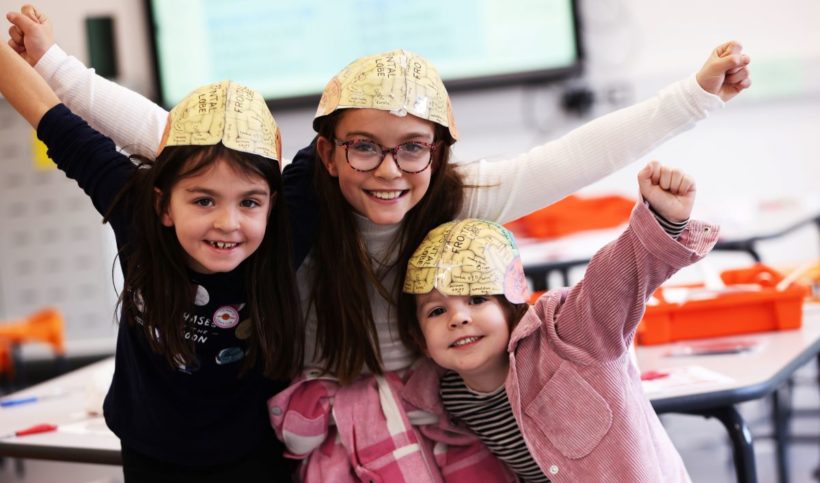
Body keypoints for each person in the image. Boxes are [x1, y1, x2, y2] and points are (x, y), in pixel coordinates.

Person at [7, 4, 749, 478]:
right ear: (326, 152)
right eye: (364, 147)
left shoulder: (464, 192)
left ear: (438, 149)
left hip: (443, 408)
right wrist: (55, 66)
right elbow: (162, 136)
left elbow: (576, 156)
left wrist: (694, 96)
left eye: (411, 149)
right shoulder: (292, 206)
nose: (388, 171)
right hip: (315, 421)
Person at [0, 40, 302, 481]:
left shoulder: (288, 228)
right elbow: (50, 117)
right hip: (150, 453)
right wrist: (49, 62)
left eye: (250, 203)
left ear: (272, 205)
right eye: (203, 200)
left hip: (257, 454)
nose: (228, 223)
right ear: (163, 205)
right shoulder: (137, 212)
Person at [398, 161, 717, 482]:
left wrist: (662, 221)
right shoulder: (443, 397)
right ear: (419, 338)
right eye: (436, 311)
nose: (459, 318)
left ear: (512, 307)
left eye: (477, 299)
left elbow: (612, 283)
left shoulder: (569, 336)